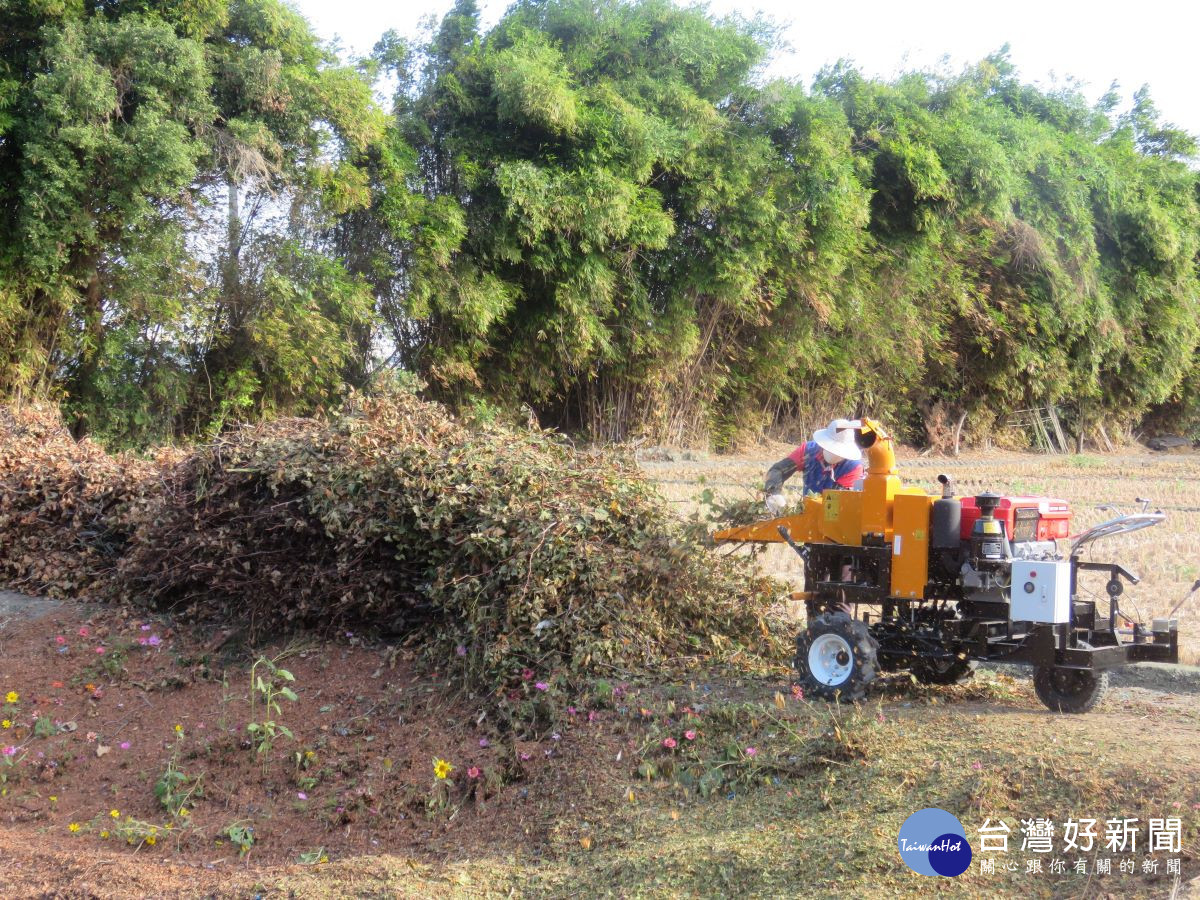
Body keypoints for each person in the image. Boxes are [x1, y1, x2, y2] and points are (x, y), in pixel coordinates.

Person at [764, 418, 864, 515]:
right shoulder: (807, 451)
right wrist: (774, 494)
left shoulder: (853, 467)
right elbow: (778, 470)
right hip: (805, 512)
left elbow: (835, 508)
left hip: (833, 519)